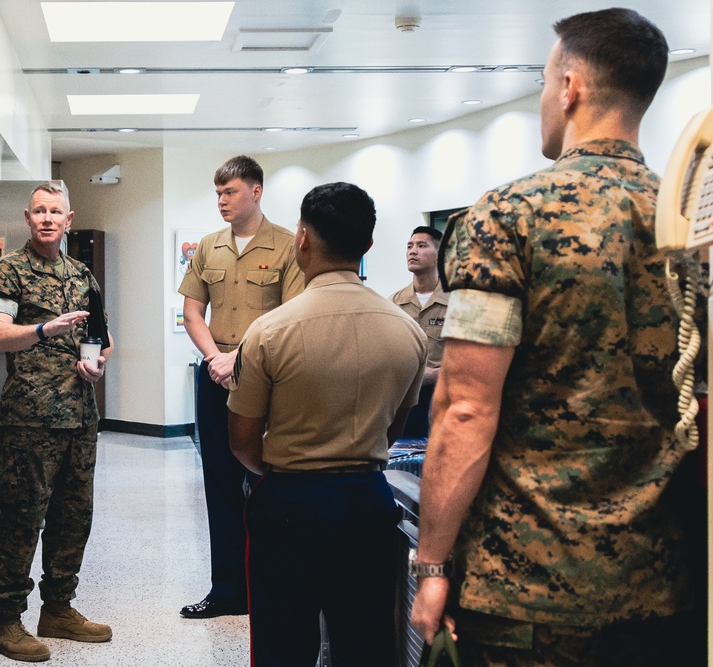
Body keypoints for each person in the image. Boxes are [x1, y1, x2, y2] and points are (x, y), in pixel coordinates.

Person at [410, 9, 699, 665]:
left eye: (544, 80)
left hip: (525, 595)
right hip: (660, 590)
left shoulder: (508, 216)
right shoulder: (687, 226)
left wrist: (429, 566)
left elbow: (465, 405)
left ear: (569, 87)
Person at [228, 182, 426, 666]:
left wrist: (284, 470)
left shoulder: (270, 331)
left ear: (302, 240)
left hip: (291, 501)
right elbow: (395, 429)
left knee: (282, 643)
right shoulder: (408, 332)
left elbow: (242, 442)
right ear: (369, 245)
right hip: (369, 501)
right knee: (367, 643)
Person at [0, 180, 114, 662]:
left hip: (80, 418)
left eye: (55, 211)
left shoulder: (82, 277)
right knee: (22, 519)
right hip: (30, 420)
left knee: (73, 517)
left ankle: (58, 607)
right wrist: (43, 328)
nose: (47, 219)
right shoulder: (7, 272)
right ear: (27, 217)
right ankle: (6, 619)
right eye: (39, 211)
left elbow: (103, 338)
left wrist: (96, 362)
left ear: (68, 219)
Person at [177, 155, 303, 618]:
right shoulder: (209, 247)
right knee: (220, 482)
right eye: (218, 193)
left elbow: (289, 317)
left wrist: (239, 358)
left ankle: (269, 591)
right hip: (214, 373)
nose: (222, 201)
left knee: (267, 481)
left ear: (256, 191)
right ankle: (227, 590)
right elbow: (193, 313)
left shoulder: (289, 247)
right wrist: (216, 358)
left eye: (230, 192)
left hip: (265, 376)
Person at [389, 226, 447, 437]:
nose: (413, 251)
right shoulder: (394, 303)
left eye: (422, 246)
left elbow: (470, 358)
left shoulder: (457, 302)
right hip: (403, 399)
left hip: (443, 396)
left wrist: (434, 374)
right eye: (409, 246)